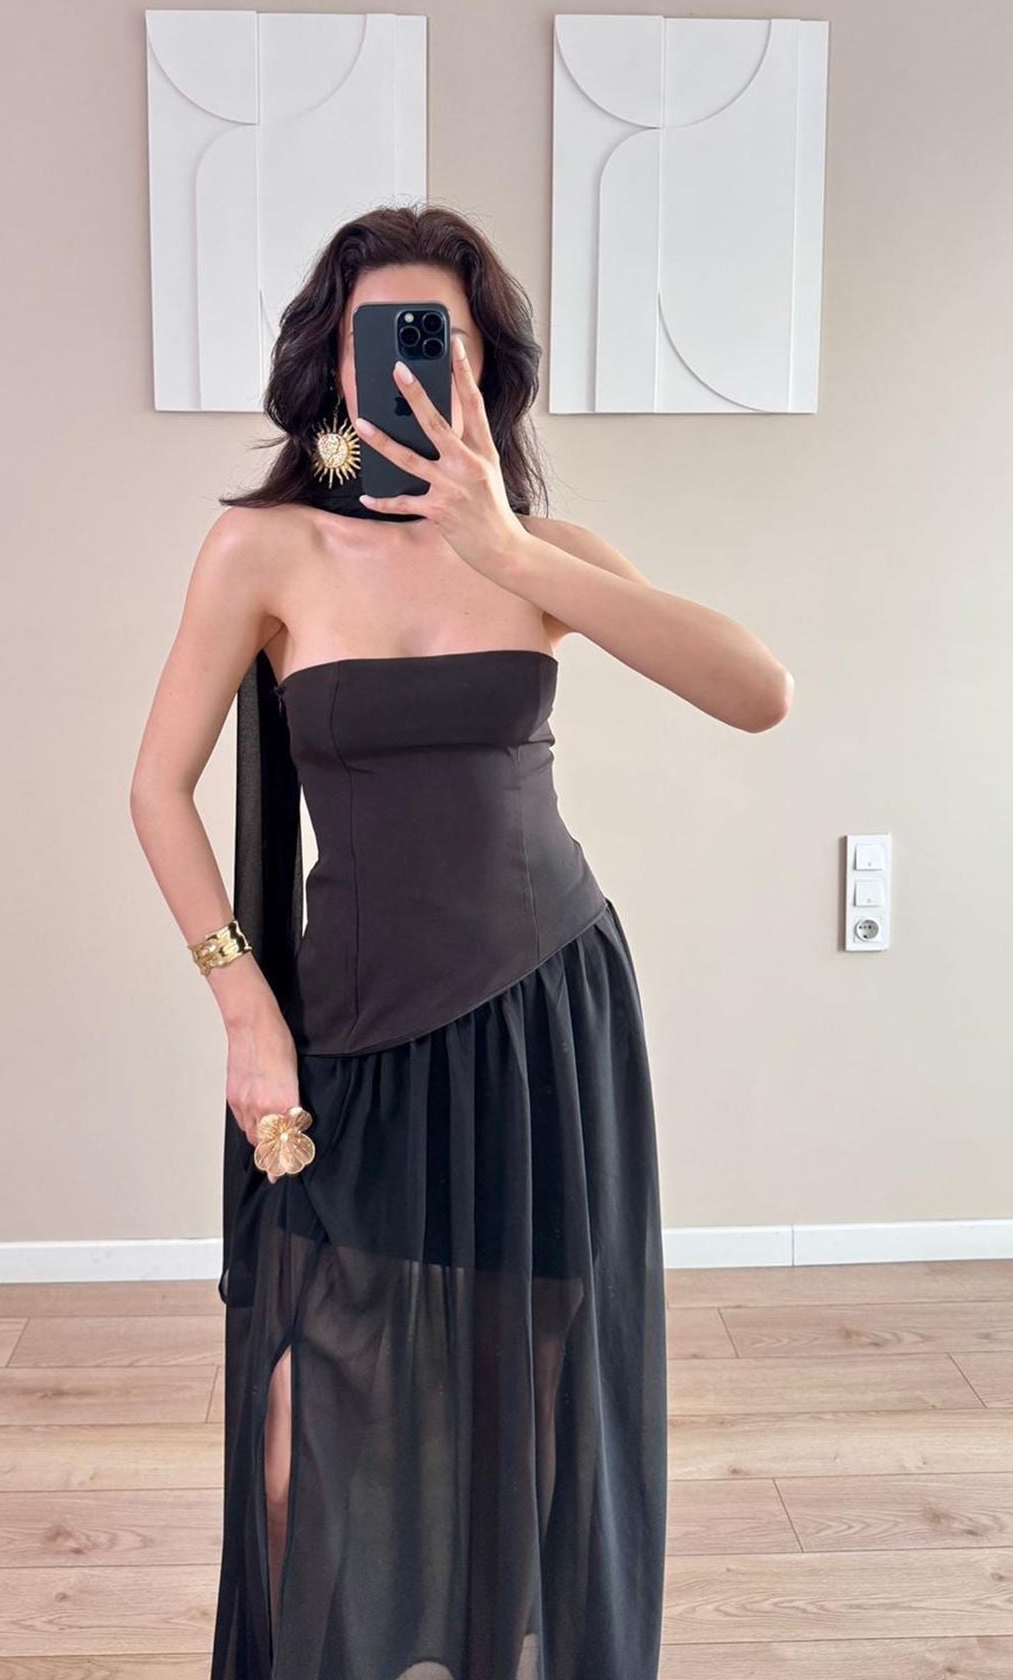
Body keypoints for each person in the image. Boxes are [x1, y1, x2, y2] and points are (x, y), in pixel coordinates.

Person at [129, 203, 794, 1680]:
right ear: (334, 362)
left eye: (450, 341)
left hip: (544, 1023)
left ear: (488, 369)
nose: (415, 368)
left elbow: (759, 692)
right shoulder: (264, 550)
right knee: (295, 1446)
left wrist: (508, 548)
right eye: (383, 338)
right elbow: (157, 789)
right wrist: (244, 1009)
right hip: (352, 1042)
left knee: (538, 1424)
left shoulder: (544, 555)